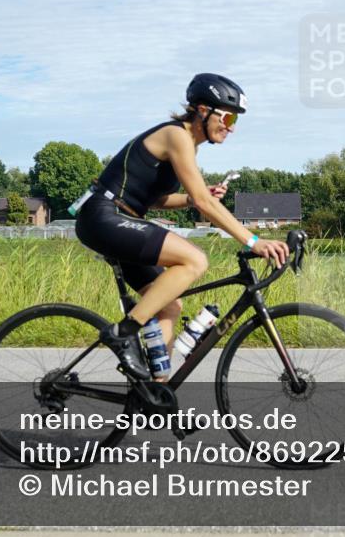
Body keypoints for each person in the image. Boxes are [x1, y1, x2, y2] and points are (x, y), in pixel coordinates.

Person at [74, 73, 290, 380]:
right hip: (103, 215)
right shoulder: (176, 136)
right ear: (203, 110)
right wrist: (253, 240)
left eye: (235, 122)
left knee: (169, 306)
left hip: (124, 217)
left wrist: (189, 199)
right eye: (227, 118)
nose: (230, 127)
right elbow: (205, 203)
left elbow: (158, 200)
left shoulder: (190, 146)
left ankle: (155, 391)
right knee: (194, 260)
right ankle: (122, 333)